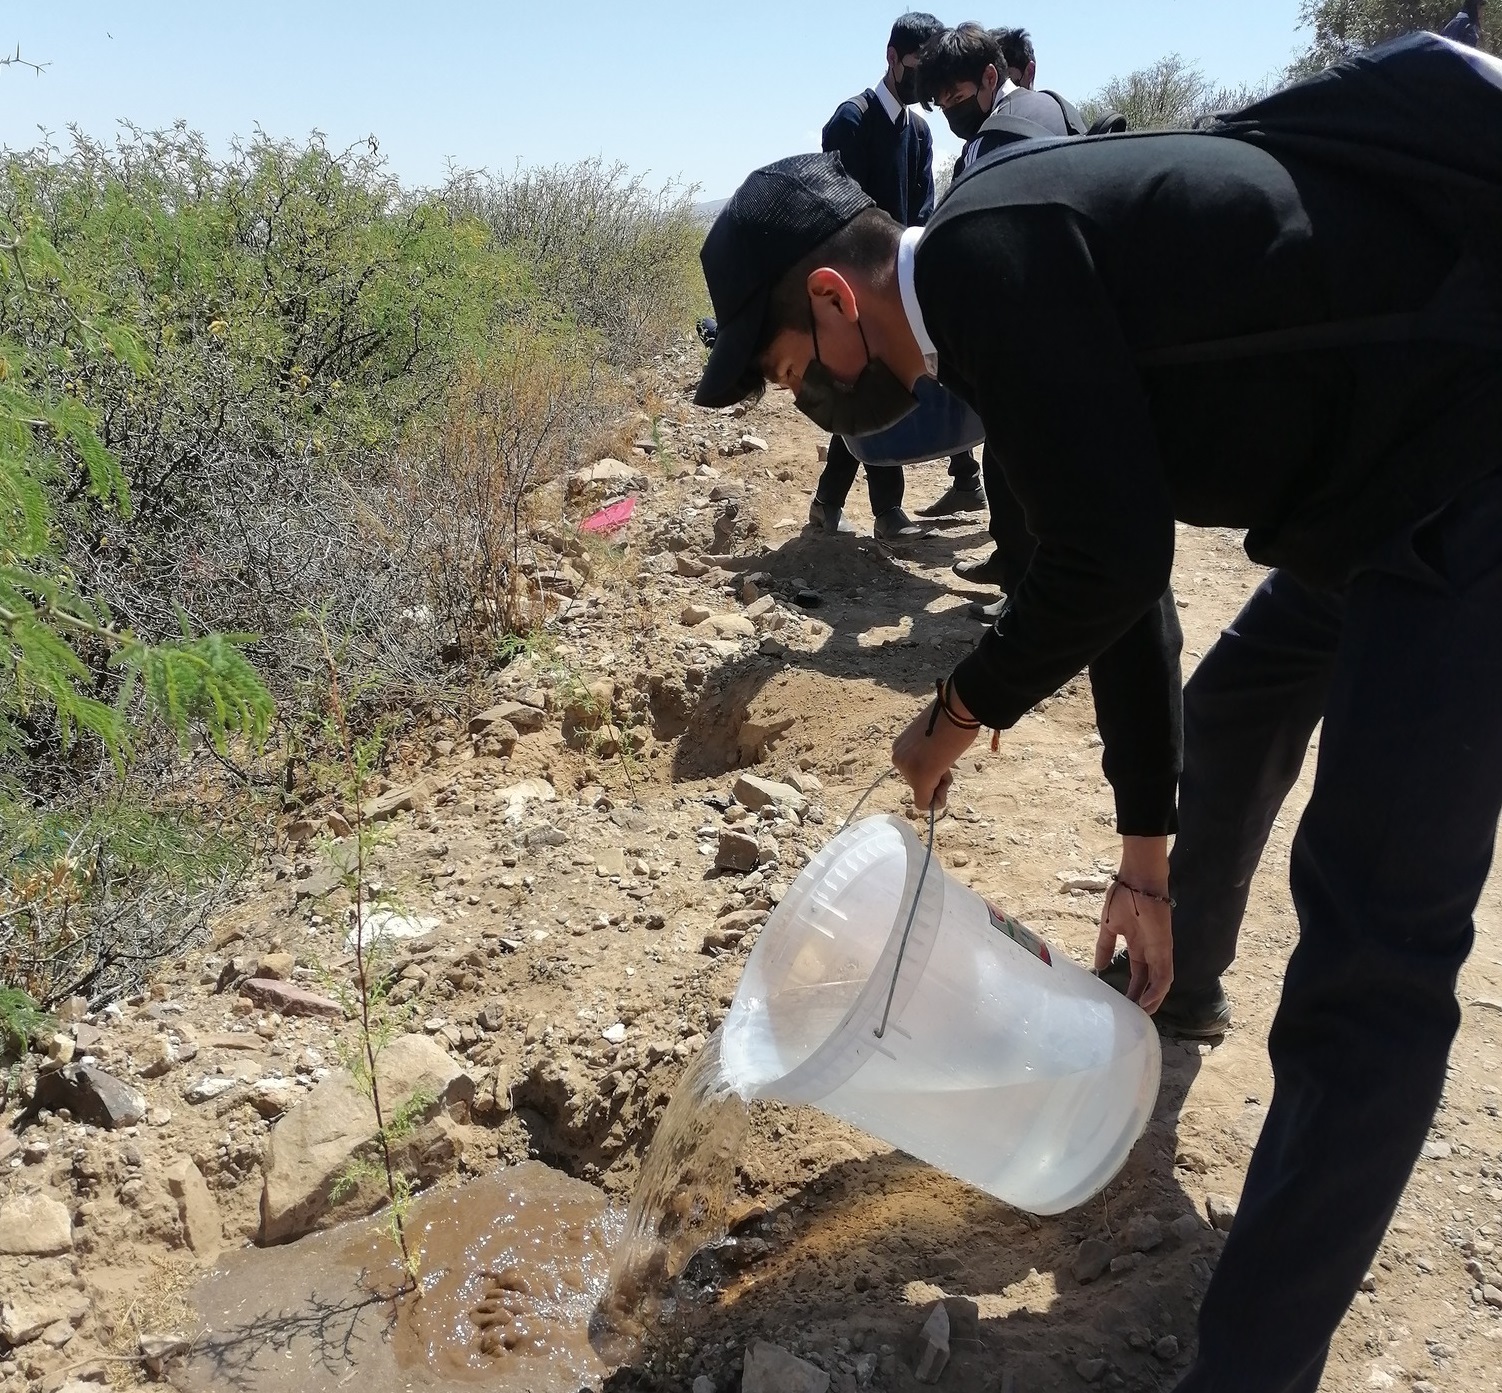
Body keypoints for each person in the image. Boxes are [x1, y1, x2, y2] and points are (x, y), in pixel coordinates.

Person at [690, 31, 1502, 1386]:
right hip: (1365, 483)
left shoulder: (990, 262)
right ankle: (1179, 989)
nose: (812, 406)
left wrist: (953, 710)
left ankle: (1248, 1367)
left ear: (836, 301)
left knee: (1369, 956)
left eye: (790, 373)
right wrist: (1141, 864)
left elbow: (1105, 565)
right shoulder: (997, 296)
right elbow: (1114, 585)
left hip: (1460, 477)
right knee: (1239, 702)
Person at [914, 23, 1087, 605]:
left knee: (1018, 474)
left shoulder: (997, 141)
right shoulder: (1056, 109)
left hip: (1033, 335)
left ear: (992, 76)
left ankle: (1024, 598)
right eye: (941, 106)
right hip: (1079, 324)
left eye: (957, 99)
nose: (951, 113)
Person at [812, 11, 984, 539]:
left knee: (885, 388)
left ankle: (831, 504)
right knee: (871, 388)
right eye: (915, 67)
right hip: (857, 288)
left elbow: (923, 215)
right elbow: (838, 209)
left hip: (901, 286)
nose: (925, 83)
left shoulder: (920, 131)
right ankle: (884, 510)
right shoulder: (849, 122)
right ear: (892, 59)